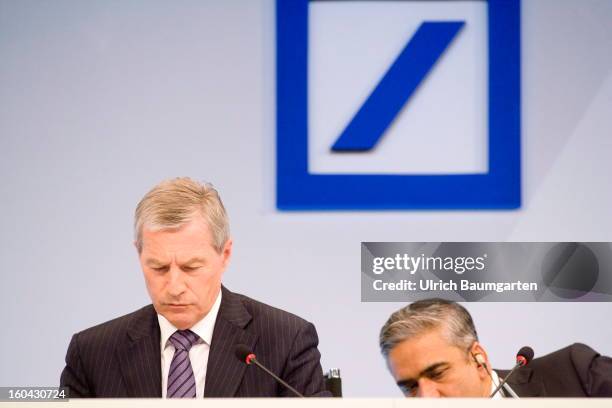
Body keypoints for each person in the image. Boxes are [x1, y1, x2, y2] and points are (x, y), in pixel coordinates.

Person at [60, 177, 330, 398]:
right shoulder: (92, 353)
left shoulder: (286, 342)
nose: (175, 287)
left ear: (225, 254)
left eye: (190, 267)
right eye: (158, 268)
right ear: (138, 255)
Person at [379, 298, 612, 398]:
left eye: (438, 373)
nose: (426, 398)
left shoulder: (574, 372)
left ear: (478, 359)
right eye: (409, 387)